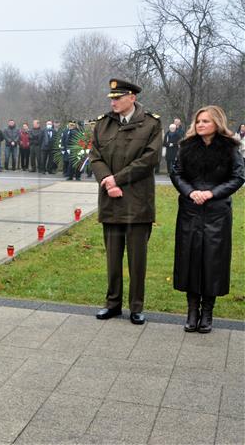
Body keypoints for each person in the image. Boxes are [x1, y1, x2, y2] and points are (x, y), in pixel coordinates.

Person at [90, 78, 162, 325]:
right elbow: (95, 156)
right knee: (112, 259)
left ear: (132, 97)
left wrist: (115, 180)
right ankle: (112, 304)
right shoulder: (102, 125)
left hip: (138, 202)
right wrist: (107, 181)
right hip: (111, 201)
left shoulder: (151, 124)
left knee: (137, 259)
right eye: (111, 98)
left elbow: (149, 160)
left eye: (118, 98)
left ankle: (136, 307)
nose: (114, 102)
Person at [170, 106, 244, 333]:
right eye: (198, 121)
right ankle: (192, 311)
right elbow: (176, 173)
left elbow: (239, 176)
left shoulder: (231, 148)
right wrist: (191, 192)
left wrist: (212, 193)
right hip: (190, 211)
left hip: (217, 213)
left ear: (217, 123)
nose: (200, 124)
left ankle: (207, 312)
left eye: (206, 121)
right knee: (190, 259)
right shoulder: (186, 147)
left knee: (213, 261)